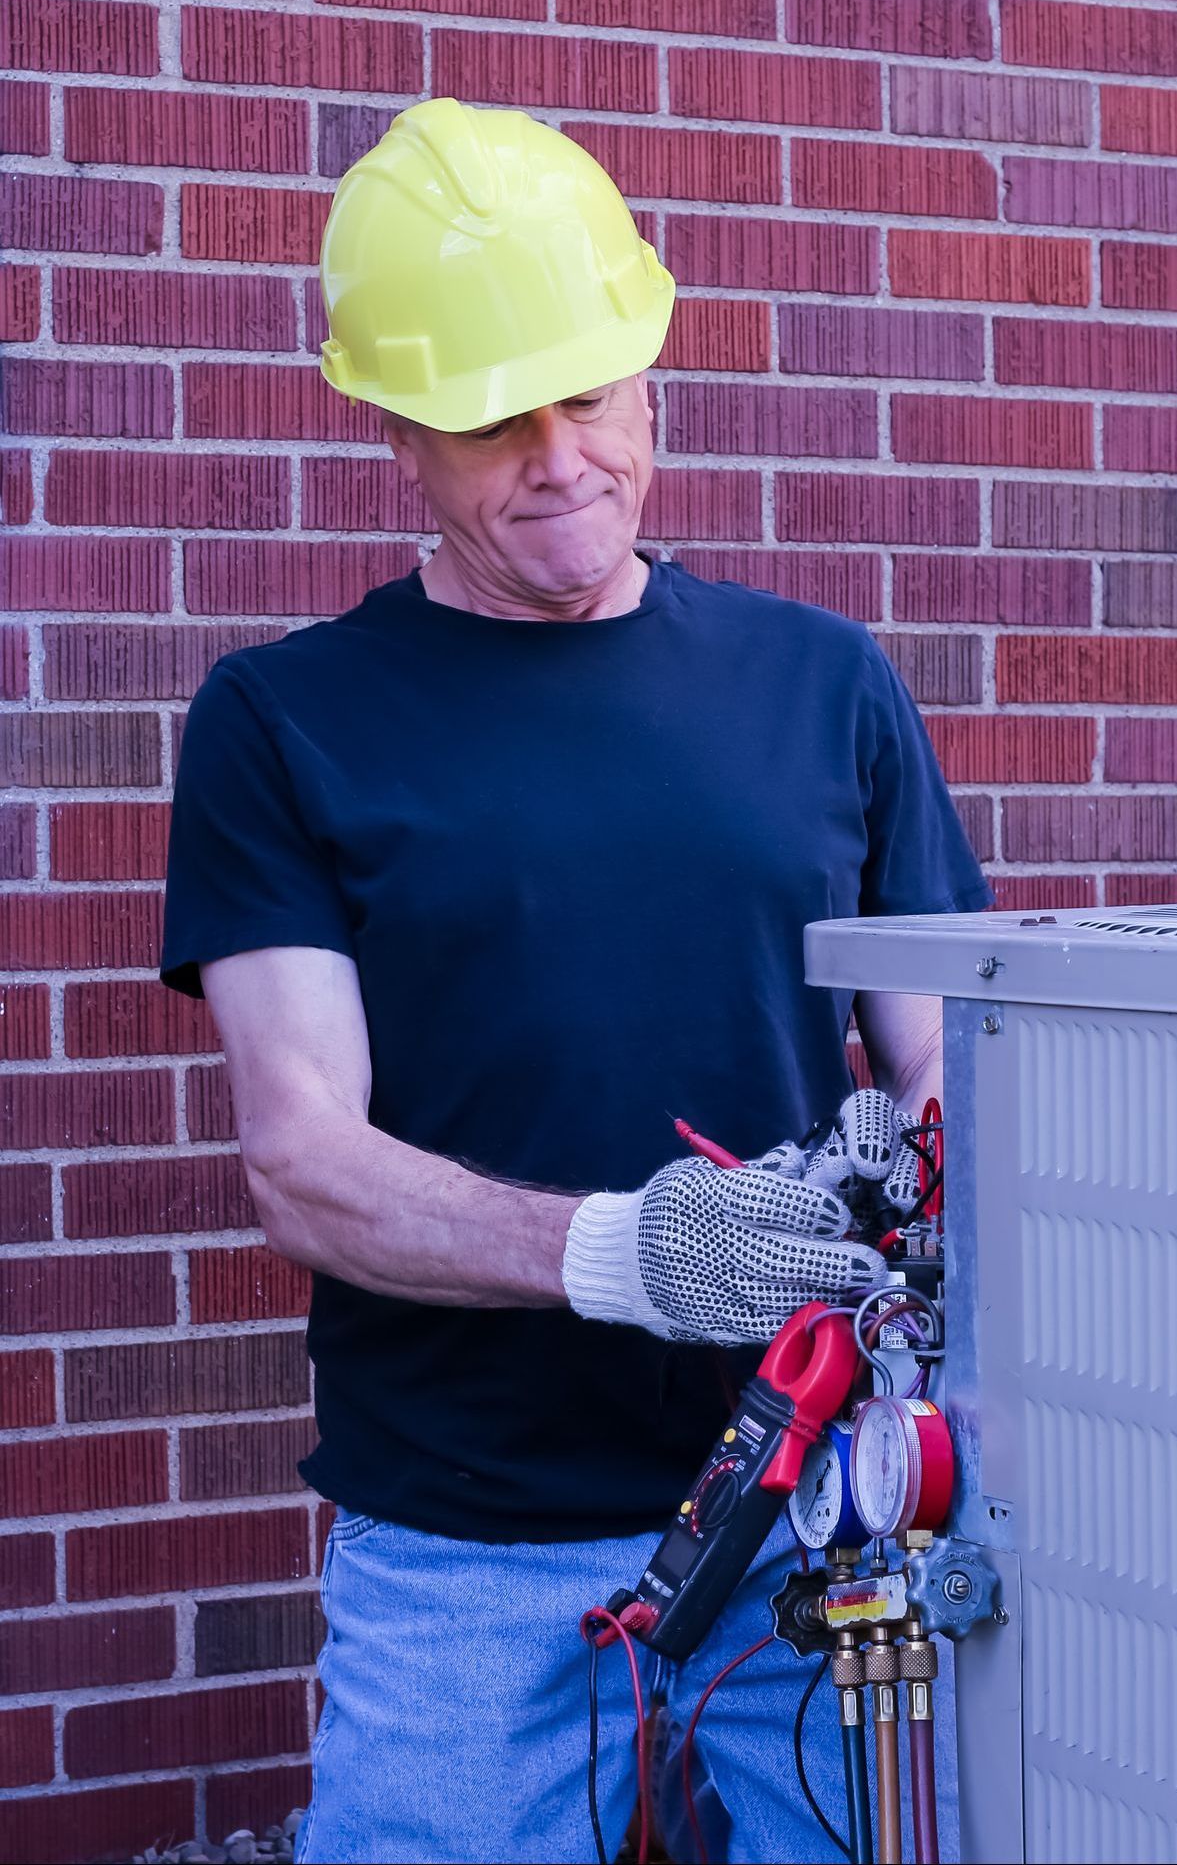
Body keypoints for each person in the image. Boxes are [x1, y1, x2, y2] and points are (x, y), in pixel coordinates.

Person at [159, 98, 992, 1864]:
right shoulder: (282, 721)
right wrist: (630, 1252)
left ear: (651, 376)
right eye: (493, 416)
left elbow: (947, 1075)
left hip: (821, 1527)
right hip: (469, 1547)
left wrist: (914, 1207)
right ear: (393, 424)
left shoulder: (825, 685)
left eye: (593, 394)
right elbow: (305, 1159)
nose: (561, 457)